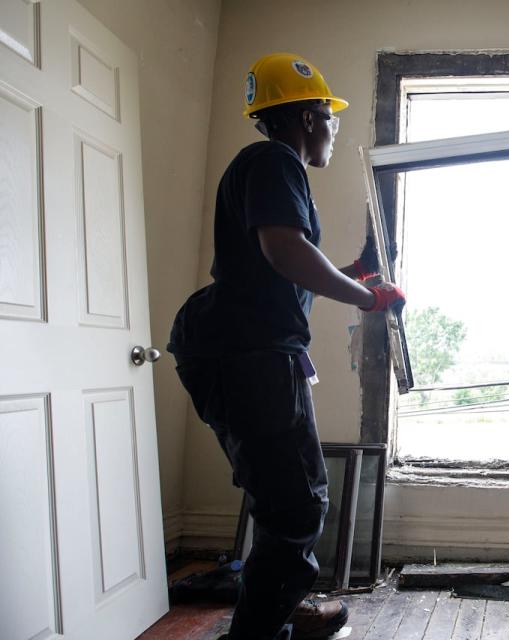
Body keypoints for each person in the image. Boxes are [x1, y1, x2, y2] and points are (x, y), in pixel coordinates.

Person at [168, 52, 404, 640]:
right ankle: (258, 630)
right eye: (331, 116)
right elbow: (286, 254)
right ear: (307, 118)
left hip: (233, 346)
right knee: (298, 507)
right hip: (249, 355)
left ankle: (276, 607)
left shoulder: (264, 165)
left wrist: (353, 273)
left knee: (278, 498)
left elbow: (279, 272)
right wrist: (366, 299)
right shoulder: (276, 161)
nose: (334, 128)